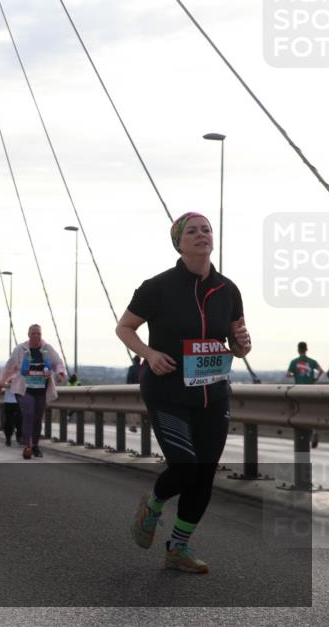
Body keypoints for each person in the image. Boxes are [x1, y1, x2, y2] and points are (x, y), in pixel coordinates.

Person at [116, 211, 251, 574]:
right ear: (179, 242)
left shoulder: (229, 290)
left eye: (206, 229)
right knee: (186, 466)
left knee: (204, 473)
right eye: (192, 231)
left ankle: (179, 547)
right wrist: (149, 353)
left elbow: (238, 345)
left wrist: (242, 345)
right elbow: (125, 327)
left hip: (214, 394)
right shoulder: (157, 286)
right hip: (168, 391)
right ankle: (154, 502)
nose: (201, 235)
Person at [0, 325, 68, 460]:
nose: (36, 336)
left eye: (38, 333)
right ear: (28, 334)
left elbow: (58, 362)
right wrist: (2, 381)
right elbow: (10, 366)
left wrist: (60, 373)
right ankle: (27, 446)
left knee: (37, 418)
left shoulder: (47, 349)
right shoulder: (20, 349)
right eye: (33, 333)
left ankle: (35, 444)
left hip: (41, 389)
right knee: (28, 414)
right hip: (25, 389)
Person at [286, 342, 324, 448]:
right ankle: (313, 431)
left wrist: (296, 374)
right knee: (310, 412)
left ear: (298, 350)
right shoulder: (312, 362)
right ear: (306, 349)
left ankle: (304, 436)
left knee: (299, 413)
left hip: (299, 391)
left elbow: (288, 374)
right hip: (311, 390)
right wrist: (315, 379)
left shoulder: (294, 362)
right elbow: (321, 371)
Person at [126, 355, 142, 431]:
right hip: (142, 389)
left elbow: (128, 379)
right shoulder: (142, 368)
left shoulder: (131, 368)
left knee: (132, 409)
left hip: (132, 390)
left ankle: (134, 424)